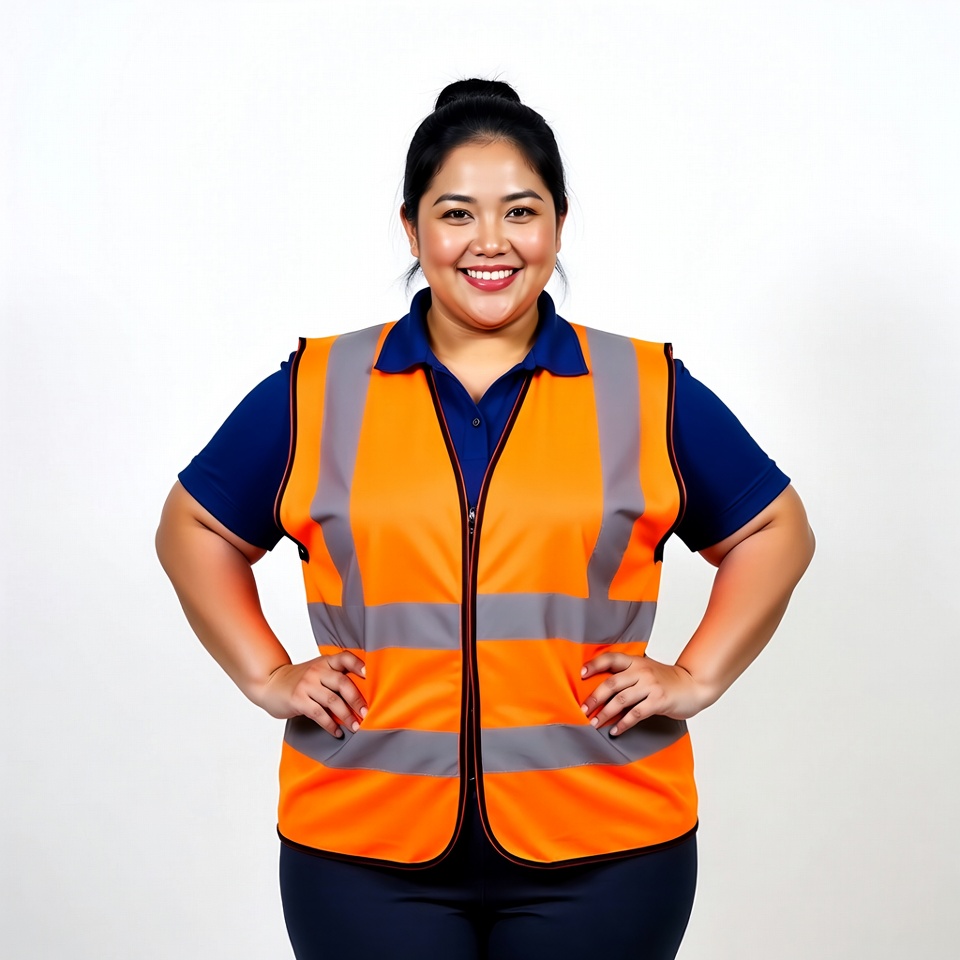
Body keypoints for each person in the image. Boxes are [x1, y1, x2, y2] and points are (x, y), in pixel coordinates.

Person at [156, 78, 815, 960]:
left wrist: (694, 677)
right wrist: (267, 673)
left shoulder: (641, 386)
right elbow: (194, 528)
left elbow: (775, 530)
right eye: (457, 214)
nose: (492, 243)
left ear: (560, 222)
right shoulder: (320, 388)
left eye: (521, 211)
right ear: (412, 227)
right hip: (361, 849)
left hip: (607, 849)